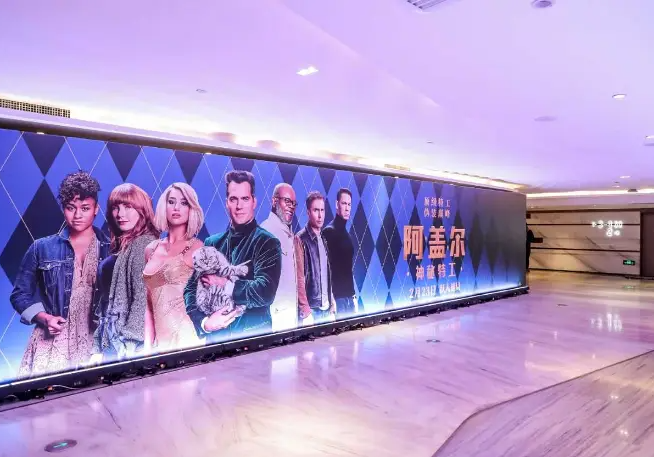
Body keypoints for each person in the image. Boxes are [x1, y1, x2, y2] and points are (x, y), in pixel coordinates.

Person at [10, 171, 111, 377]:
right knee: (44, 395)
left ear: (96, 209)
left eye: (85, 208)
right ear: (63, 209)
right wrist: (44, 318)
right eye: (70, 208)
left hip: (95, 341)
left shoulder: (110, 248)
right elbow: (19, 295)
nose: (77, 215)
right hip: (52, 342)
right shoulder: (41, 247)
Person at [184, 170, 282, 342]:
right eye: (233, 199)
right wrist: (205, 323)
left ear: (254, 202)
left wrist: (225, 285)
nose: (239, 206)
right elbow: (191, 290)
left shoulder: (267, 242)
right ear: (227, 203)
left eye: (245, 199)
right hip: (216, 343)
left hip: (254, 341)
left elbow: (265, 292)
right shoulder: (212, 243)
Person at [91, 183, 159, 363]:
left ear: (142, 210)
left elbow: (142, 298)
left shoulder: (143, 244)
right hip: (114, 339)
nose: (120, 214)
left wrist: (130, 343)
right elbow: (105, 304)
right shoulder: (125, 246)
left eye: (128, 206)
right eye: (116, 207)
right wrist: (98, 345)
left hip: (128, 345)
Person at [143, 183, 204, 353]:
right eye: (171, 202)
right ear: (164, 206)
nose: (176, 208)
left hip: (187, 339)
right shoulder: (151, 249)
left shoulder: (197, 248)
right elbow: (149, 306)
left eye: (184, 203)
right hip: (159, 343)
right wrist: (147, 349)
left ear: (191, 208)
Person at [260, 183, 309, 332]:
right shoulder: (265, 232)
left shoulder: (292, 237)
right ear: (274, 201)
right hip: (273, 320)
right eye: (287, 201)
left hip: (291, 317)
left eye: (294, 203)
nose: (291, 206)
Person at [296, 191, 336, 325]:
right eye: (316, 210)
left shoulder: (324, 238)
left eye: (322, 210)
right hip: (312, 310)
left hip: (327, 308)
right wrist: (305, 310)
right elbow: (299, 278)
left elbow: (327, 273)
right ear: (308, 212)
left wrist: (332, 301)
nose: (320, 215)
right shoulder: (300, 239)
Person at [322, 188, 357, 318]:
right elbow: (326, 270)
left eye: (349, 204)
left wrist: (353, 295)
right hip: (338, 299)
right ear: (337, 204)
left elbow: (347, 269)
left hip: (350, 297)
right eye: (344, 203)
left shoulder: (347, 235)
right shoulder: (329, 232)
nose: (347, 208)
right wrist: (332, 299)